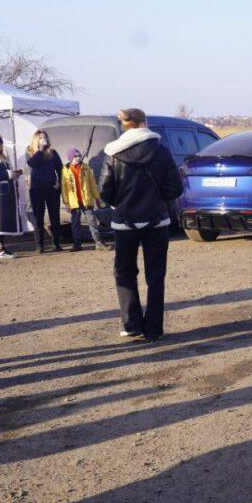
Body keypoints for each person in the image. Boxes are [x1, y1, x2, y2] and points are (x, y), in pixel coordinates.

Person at [99, 108, 183, 343]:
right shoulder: (162, 151)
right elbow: (175, 188)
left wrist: (122, 204)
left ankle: (131, 324)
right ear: (144, 123)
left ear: (125, 125)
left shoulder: (113, 153)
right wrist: (158, 200)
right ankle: (154, 329)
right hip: (157, 221)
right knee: (155, 275)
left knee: (124, 273)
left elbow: (105, 190)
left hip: (125, 223)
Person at [62, 148, 110, 251]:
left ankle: (99, 243)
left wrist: (97, 198)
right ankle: (77, 244)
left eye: (79, 156)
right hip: (74, 203)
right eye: (75, 157)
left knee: (92, 222)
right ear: (70, 158)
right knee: (75, 224)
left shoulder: (86, 168)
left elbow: (93, 184)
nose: (78, 158)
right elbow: (64, 188)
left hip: (87, 201)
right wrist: (66, 203)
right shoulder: (65, 170)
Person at [26, 130, 64, 253]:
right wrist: (40, 150)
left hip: (51, 187)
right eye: (41, 138)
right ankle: (40, 245)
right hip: (36, 189)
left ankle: (56, 244)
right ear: (36, 139)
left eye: (45, 137)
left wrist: (60, 183)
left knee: (54, 216)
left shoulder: (53, 153)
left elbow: (60, 168)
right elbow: (32, 164)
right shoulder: (30, 152)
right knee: (38, 217)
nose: (44, 139)